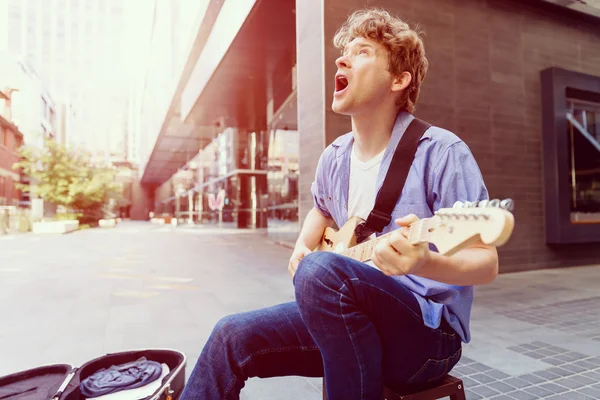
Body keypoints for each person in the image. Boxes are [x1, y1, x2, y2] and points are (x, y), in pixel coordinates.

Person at [180, 7, 498, 400]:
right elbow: (322, 209)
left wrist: (424, 262)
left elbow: (487, 261)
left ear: (399, 79)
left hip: (428, 338)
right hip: (349, 318)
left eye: (362, 51)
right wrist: (301, 247)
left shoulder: (443, 152)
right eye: (344, 50)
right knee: (230, 335)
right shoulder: (334, 156)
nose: (342, 58)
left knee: (323, 272)